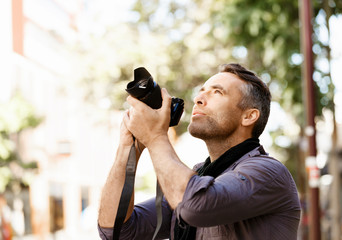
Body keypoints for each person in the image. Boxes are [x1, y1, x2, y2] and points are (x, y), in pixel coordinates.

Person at [97, 63, 301, 240]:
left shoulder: (269, 172)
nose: (198, 99)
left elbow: (195, 206)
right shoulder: (199, 178)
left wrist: (155, 137)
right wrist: (128, 147)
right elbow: (117, 231)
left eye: (217, 92)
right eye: (201, 91)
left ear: (248, 116)